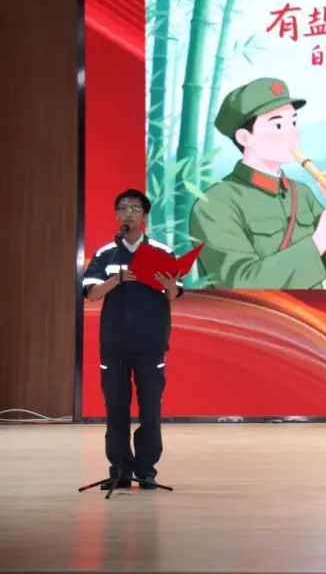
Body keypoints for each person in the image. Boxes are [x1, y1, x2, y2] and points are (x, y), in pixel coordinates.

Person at [189, 77, 326, 289]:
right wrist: (318, 242)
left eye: (293, 122)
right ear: (244, 137)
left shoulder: (301, 193)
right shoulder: (215, 204)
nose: (293, 133)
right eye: (277, 125)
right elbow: (238, 284)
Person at [82, 189, 182, 489]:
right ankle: (120, 470)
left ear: (145, 216)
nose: (128, 213)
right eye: (123, 208)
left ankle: (146, 470)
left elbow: (175, 293)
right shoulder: (106, 254)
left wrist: (168, 286)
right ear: (116, 215)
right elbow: (91, 294)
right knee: (116, 408)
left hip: (150, 344)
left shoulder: (162, 252)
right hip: (114, 344)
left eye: (135, 209)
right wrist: (116, 279)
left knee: (150, 409)